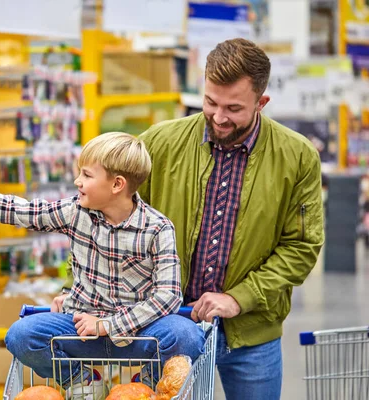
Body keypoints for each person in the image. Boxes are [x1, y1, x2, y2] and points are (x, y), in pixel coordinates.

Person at [59, 38, 325, 400]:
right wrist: (78, 293)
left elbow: (301, 247)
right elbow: (106, 222)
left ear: (261, 102)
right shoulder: (160, 144)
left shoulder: (297, 157)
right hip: (164, 329)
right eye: (210, 102)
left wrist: (239, 297)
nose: (218, 117)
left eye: (234, 108)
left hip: (251, 332)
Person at [0, 132, 205, 400]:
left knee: (187, 335)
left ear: (117, 184)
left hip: (138, 334)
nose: (77, 182)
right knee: (20, 335)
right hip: (80, 330)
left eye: (86, 175)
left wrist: (110, 325)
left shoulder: (157, 228)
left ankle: (143, 389)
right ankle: (83, 383)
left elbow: (168, 296)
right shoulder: (76, 212)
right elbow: (22, 211)